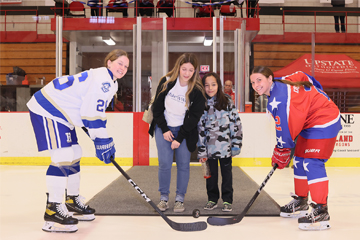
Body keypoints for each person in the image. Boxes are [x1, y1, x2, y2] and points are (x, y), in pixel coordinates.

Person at [26, 49, 129, 233]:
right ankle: (53, 208)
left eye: (126, 66)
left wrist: (99, 137)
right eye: (120, 63)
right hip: (48, 107)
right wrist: (102, 139)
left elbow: (88, 112)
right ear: (109, 63)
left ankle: (71, 200)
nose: (123, 68)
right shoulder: (103, 81)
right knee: (63, 154)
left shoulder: (111, 83)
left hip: (64, 112)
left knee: (75, 152)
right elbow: (92, 115)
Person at [250, 66, 342, 231]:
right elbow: (306, 76)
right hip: (310, 122)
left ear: (270, 78)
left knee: (312, 163)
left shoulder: (281, 98)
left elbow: (285, 131)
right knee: (299, 160)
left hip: (325, 120)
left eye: (259, 80)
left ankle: (321, 210)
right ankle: (301, 201)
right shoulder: (283, 81)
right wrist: (315, 95)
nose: (256, 85)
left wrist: (281, 150)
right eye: (252, 82)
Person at [148, 53, 206, 213]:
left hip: (185, 132)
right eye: (184, 69)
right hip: (163, 128)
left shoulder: (197, 90)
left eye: (191, 70)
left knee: (183, 166)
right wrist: (165, 130)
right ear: (178, 68)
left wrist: (179, 138)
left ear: (195, 71)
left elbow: (194, 117)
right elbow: (157, 108)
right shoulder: (166, 82)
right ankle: (163, 198)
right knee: (165, 164)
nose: (187, 73)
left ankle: (180, 199)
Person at [197, 72, 243, 212]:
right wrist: (201, 150)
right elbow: (199, 128)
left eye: (213, 84)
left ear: (219, 85)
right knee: (211, 176)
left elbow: (236, 124)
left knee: (227, 174)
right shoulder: (201, 104)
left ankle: (227, 200)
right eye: (206, 85)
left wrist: (236, 144)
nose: (210, 88)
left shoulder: (227, 102)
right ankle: (212, 199)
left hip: (226, 148)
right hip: (209, 149)